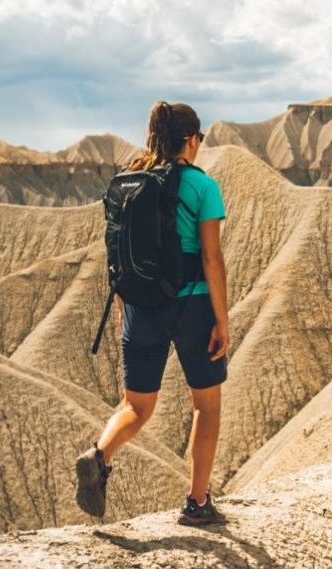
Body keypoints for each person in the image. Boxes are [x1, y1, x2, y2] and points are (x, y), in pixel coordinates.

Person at [76, 101, 230, 525]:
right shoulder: (201, 186)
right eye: (198, 139)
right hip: (192, 303)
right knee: (206, 405)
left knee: (136, 406)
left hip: (139, 305)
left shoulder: (129, 181)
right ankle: (198, 502)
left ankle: (100, 455)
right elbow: (212, 258)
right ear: (192, 140)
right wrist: (223, 319)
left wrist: (129, 304)